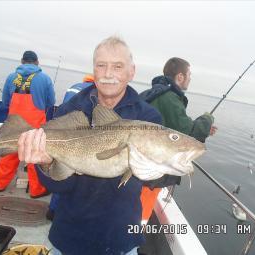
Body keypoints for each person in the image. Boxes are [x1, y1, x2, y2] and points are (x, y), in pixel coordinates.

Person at [17, 36, 165, 255]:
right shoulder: (70, 110)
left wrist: (153, 170)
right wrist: (46, 164)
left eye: (117, 66)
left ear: (131, 72)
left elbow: (157, 177)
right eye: (101, 65)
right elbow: (58, 187)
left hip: (120, 236)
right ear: (94, 70)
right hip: (70, 235)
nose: (108, 74)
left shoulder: (147, 117)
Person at [139, 57, 217, 223]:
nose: (190, 79)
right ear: (180, 77)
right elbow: (190, 133)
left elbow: (174, 127)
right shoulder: (169, 98)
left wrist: (205, 130)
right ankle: (133, 241)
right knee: (140, 216)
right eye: (189, 75)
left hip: (142, 164)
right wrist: (207, 118)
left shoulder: (155, 93)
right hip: (150, 172)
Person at [0, 50, 55, 198]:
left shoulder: (11, 77)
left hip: (13, 125)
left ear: (22, 61)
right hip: (34, 126)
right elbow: (51, 102)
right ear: (37, 62)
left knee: (8, 154)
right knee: (34, 156)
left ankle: (0, 185)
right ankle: (36, 190)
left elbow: (5, 102)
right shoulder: (45, 78)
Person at [47, 74, 94, 220]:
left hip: (61, 130)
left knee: (60, 169)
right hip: (79, 138)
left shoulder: (73, 87)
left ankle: (52, 211)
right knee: (71, 174)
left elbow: (63, 106)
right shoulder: (95, 93)